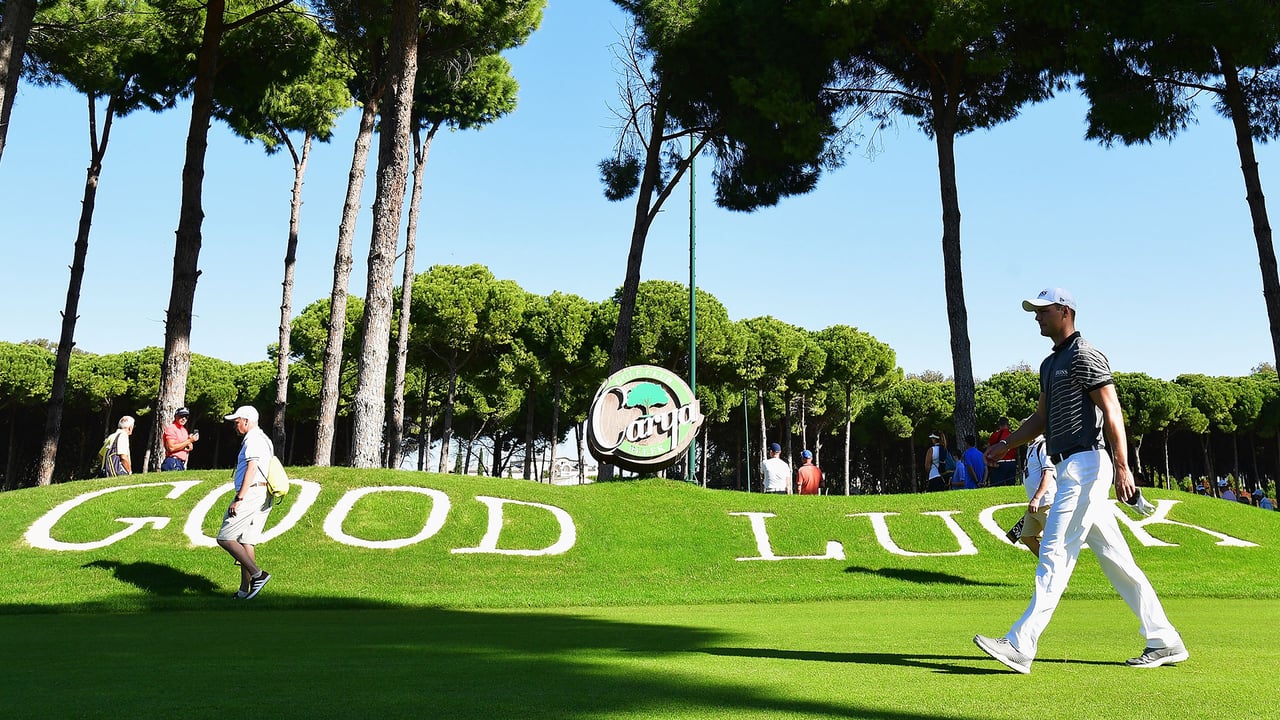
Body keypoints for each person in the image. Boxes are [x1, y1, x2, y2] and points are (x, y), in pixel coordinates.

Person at [973, 287, 1187, 673]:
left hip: (1087, 464)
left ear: (1065, 311)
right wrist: (1006, 444)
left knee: (1055, 550)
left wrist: (1123, 467)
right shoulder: (1049, 363)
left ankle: (1021, 643)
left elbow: (1112, 410)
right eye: (1035, 311)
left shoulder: (1085, 355)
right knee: (1118, 561)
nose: (1037, 317)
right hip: (1070, 467)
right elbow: (1041, 419)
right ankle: (1164, 639)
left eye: (1043, 310)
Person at [216, 406, 273, 600]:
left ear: (246, 421)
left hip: (252, 492)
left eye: (237, 421)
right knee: (246, 541)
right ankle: (243, 591)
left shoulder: (253, 439)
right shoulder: (263, 438)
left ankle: (258, 574)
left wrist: (239, 498)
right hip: (262, 492)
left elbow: (252, 468)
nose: (235, 425)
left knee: (225, 538)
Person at [1016, 435, 1056, 555]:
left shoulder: (1043, 446)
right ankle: (1046, 562)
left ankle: (1055, 564)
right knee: (1026, 536)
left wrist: (1037, 498)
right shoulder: (1031, 447)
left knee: (1053, 541)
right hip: (1035, 505)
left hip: (1046, 503)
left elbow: (1048, 473)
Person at [160, 407, 199, 471]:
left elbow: (188, 447)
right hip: (173, 461)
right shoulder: (171, 428)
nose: (184, 419)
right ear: (176, 416)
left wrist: (189, 443)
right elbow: (171, 448)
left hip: (181, 463)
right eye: (181, 416)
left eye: (186, 417)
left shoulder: (184, 430)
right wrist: (189, 441)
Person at [988, 417, 1018, 486]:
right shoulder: (1012, 435)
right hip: (1012, 462)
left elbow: (991, 449)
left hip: (1000, 463)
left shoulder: (995, 435)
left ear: (999, 425)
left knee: (997, 484)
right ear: (1008, 424)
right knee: (1011, 485)